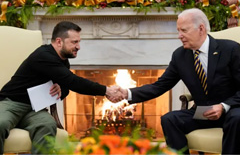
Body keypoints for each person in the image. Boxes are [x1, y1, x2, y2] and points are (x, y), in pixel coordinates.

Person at [111, 8, 240, 154]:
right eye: (178, 31)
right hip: (203, 113)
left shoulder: (230, 49)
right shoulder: (180, 56)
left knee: (237, 118)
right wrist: (126, 93)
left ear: (201, 29)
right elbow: (159, 86)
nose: (179, 36)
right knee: (169, 119)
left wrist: (223, 106)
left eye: (184, 30)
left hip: (231, 110)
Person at [0, 21, 122, 154]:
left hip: (34, 109)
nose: (79, 47)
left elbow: (65, 88)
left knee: (47, 125)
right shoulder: (44, 55)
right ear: (59, 42)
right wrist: (106, 90)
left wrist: (60, 89)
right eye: (74, 42)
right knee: (1, 123)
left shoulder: (63, 60)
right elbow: (73, 81)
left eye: (78, 42)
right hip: (11, 103)